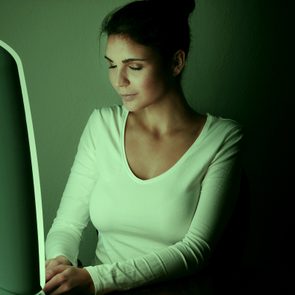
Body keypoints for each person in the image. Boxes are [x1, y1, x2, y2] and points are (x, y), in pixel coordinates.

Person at [43, 0, 243, 294]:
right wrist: (59, 261)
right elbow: (67, 226)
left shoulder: (222, 138)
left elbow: (196, 251)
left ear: (176, 62)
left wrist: (96, 279)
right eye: (112, 65)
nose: (118, 81)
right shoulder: (102, 126)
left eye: (134, 67)